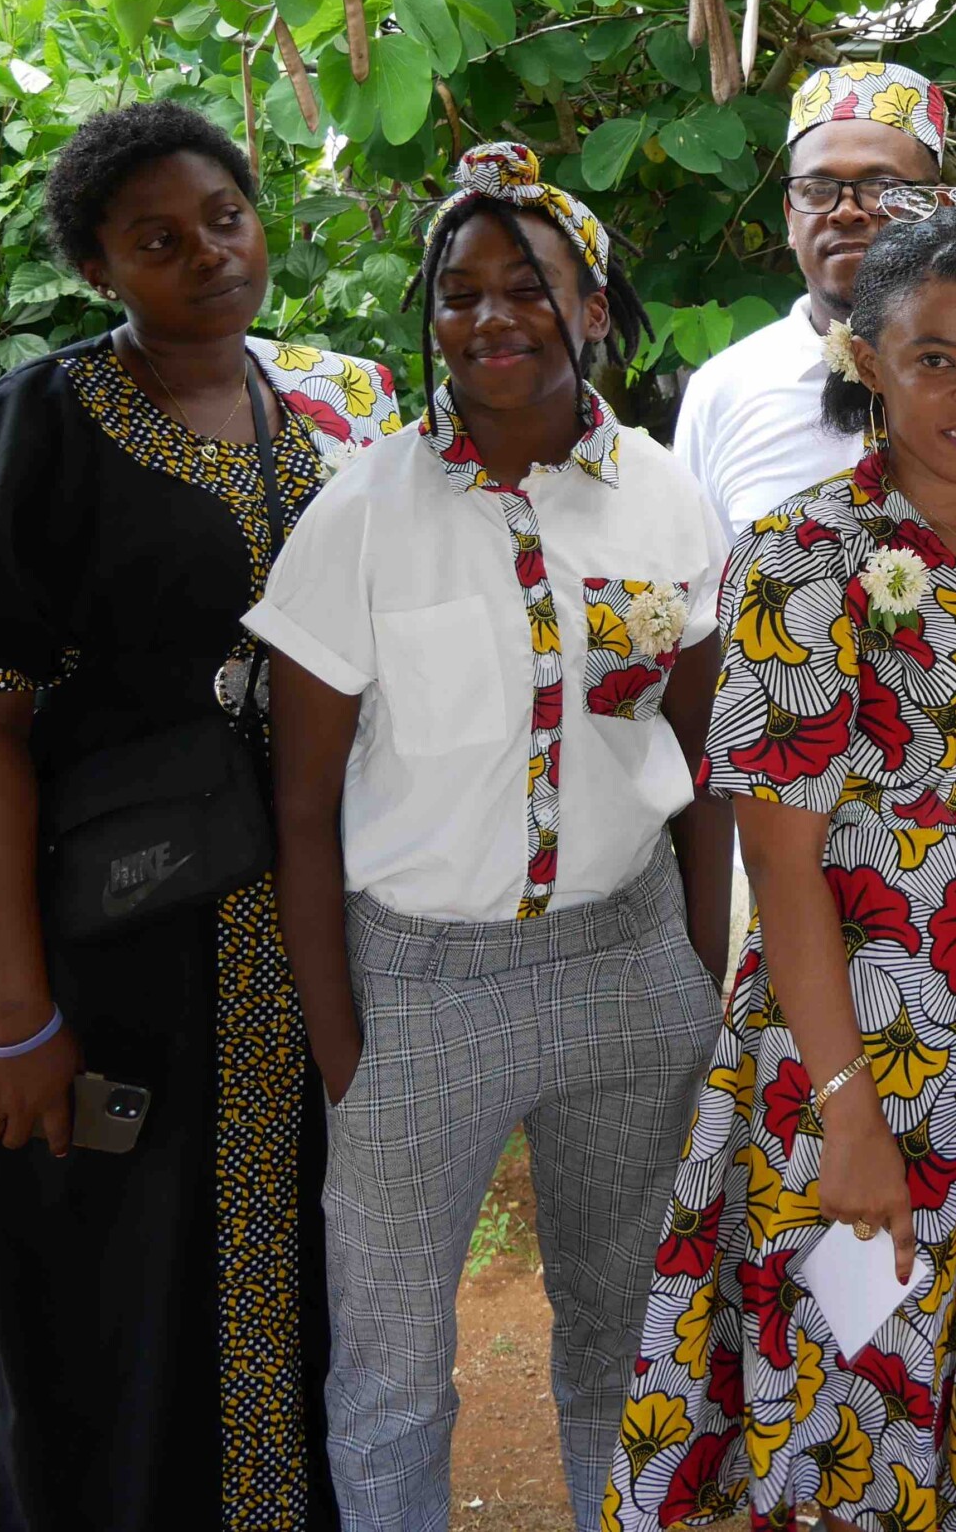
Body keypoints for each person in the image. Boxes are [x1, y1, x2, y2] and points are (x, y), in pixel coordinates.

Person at [0, 100, 401, 1530]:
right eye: (158, 240)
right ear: (102, 269)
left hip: (299, 947)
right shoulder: (41, 423)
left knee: (286, 1287)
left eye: (224, 217)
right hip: (107, 950)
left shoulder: (335, 410)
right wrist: (18, 1015)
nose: (208, 256)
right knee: (88, 1298)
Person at [602, 207, 956, 1532]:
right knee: (858, 1397)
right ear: (868, 361)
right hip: (872, 1028)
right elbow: (780, 864)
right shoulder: (800, 556)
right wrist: (845, 1110)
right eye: (937, 359)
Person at [247, 144, 732, 1531]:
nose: (490, 316)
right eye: (459, 291)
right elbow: (299, 805)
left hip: (629, 969)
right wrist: (344, 1037)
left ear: (591, 308)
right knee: (393, 1376)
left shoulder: (661, 496)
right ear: (431, 316)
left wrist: (693, 974)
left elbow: (695, 765)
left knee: (623, 1344)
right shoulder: (358, 514)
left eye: (531, 285)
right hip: (418, 992)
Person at [671, 59, 956, 557]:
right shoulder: (723, 391)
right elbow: (709, 591)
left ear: (940, 205)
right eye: (818, 190)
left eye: (882, 187)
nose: (847, 211)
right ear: (789, 216)